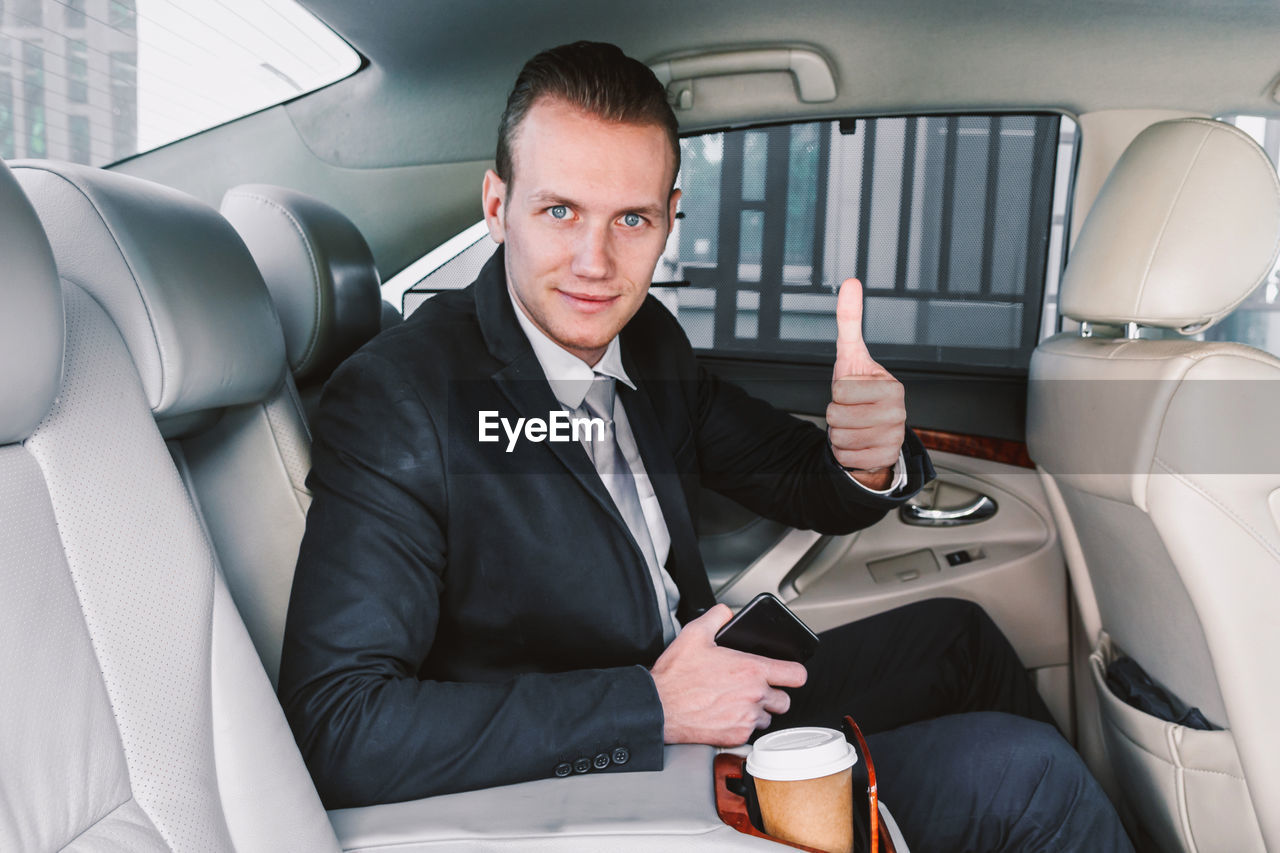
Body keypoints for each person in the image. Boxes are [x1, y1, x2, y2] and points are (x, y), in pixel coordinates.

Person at [278, 41, 1132, 850]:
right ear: (498, 207)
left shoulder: (645, 339)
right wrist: (649, 705)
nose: (594, 262)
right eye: (560, 210)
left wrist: (866, 456)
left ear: (671, 218)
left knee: (961, 638)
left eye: (632, 220)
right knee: (1029, 782)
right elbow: (340, 727)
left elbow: (793, 475)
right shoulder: (401, 398)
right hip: (586, 770)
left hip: (694, 691)